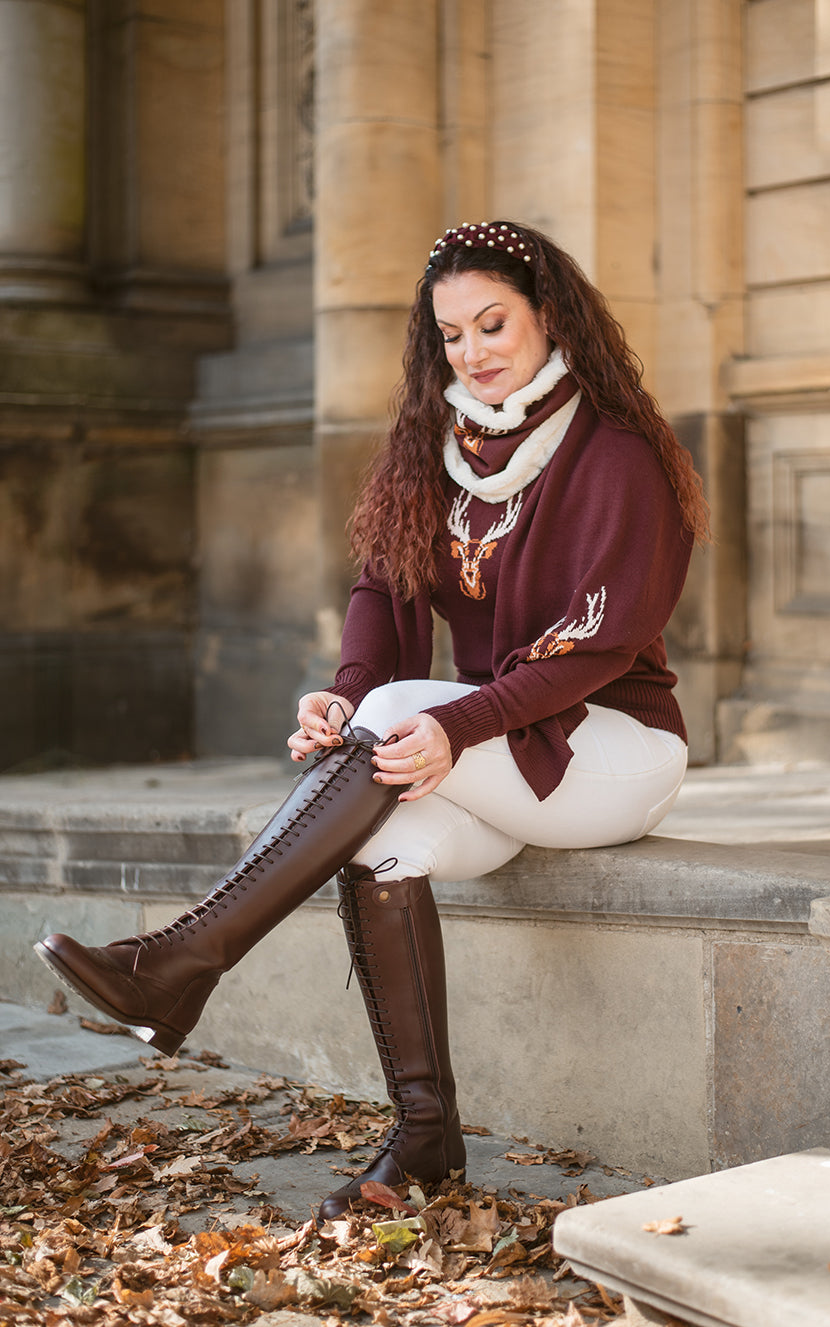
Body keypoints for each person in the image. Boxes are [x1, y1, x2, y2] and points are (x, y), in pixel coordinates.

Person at [34, 220, 709, 1222]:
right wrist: (347, 695)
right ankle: (427, 1135)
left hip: (611, 748)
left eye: (493, 325)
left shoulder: (615, 454)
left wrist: (451, 722)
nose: (473, 353)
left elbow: (599, 647)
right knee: (380, 837)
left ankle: (180, 961)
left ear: (549, 317)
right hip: (507, 749)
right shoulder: (436, 449)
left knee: (401, 718)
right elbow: (383, 595)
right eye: (451, 336)